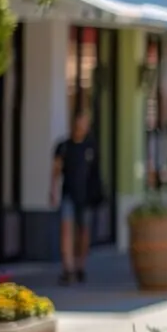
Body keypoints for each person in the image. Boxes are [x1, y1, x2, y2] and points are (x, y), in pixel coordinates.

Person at [50, 111, 103, 285]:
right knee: (66, 229)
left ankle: (81, 265)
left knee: (83, 231)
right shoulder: (63, 146)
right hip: (68, 193)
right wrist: (52, 190)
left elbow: (96, 173)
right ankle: (68, 268)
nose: (81, 127)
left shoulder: (91, 147)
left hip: (86, 195)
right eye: (79, 123)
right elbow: (56, 170)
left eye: (84, 124)